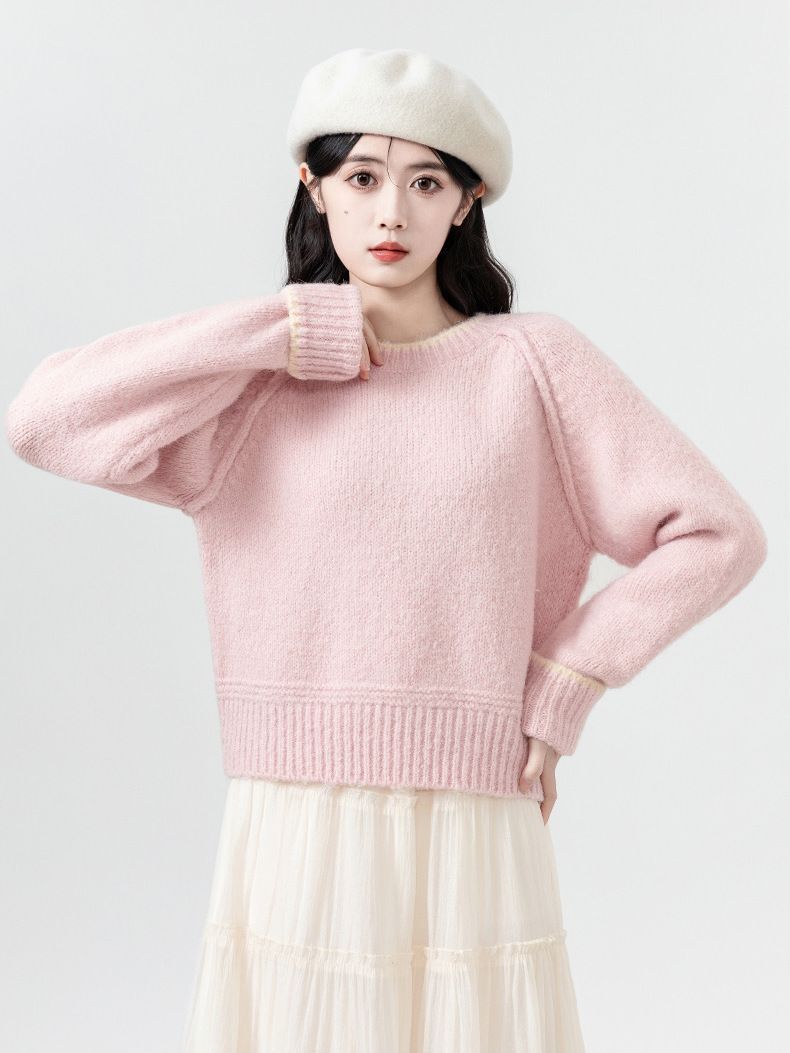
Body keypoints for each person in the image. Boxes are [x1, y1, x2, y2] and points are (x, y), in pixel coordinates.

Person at [5, 47, 767, 1053]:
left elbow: (717, 533)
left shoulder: (532, 368)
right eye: (361, 177)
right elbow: (45, 420)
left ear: (467, 201)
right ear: (313, 187)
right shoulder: (255, 387)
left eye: (426, 182)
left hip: (471, 808)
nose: (391, 214)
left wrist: (565, 681)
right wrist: (279, 329)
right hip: (295, 811)